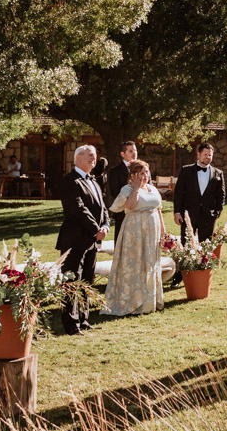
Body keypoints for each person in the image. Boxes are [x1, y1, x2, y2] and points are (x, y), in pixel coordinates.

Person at [103, 159, 165, 316]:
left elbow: (158, 209)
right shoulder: (128, 189)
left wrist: (163, 232)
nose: (145, 176)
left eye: (146, 172)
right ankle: (132, 302)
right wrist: (136, 189)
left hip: (152, 232)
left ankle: (150, 300)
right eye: (141, 173)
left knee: (150, 262)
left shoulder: (152, 189)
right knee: (135, 262)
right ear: (133, 175)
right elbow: (129, 206)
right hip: (135, 231)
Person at [56, 144, 107, 335]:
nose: (94, 158)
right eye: (89, 155)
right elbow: (77, 209)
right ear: (77, 158)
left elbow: (102, 208)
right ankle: (71, 324)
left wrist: (105, 226)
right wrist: (96, 229)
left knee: (87, 280)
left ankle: (84, 320)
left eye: (95, 156)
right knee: (71, 282)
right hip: (75, 239)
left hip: (92, 240)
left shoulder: (94, 181)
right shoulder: (71, 180)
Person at [172, 142, 226, 288]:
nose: (207, 157)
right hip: (188, 215)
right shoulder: (186, 171)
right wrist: (177, 211)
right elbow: (178, 193)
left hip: (208, 216)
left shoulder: (218, 173)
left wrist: (216, 213)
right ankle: (180, 276)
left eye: (210, 155)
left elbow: (221, 196)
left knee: (205, 245)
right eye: (205, 155)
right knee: (185, 244)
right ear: (198, 154)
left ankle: (202, 275)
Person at [106, 141, 137, 236]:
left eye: (135, 150)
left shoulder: (144, 170)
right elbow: (115, 192)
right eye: (130, 151)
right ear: (122, 154)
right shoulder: (115, 171)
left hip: (141, 214)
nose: (134, 153)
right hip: (123, 213)